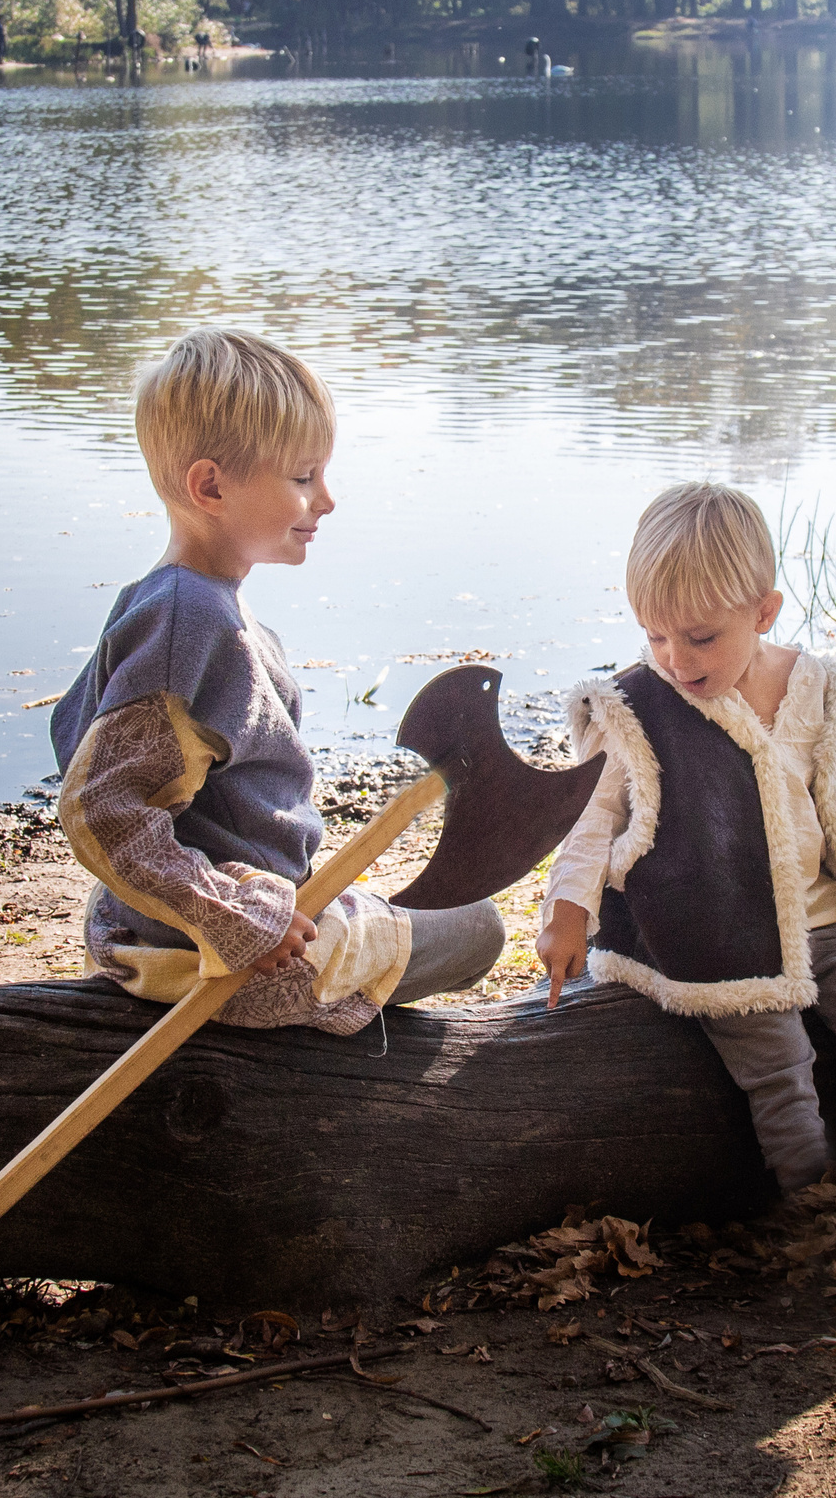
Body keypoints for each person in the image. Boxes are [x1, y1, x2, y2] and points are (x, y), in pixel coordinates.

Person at [51, 329, 505, 1036]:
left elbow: (73, 733)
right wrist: (230, 917)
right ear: (210, 486)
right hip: (221, 962)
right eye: (301, 478)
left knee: (412, 912)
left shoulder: (172, 601)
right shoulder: (188, 621)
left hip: (174, 925)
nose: (326, 498)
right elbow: (100, 804)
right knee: (480, 929)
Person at [537, 483, 836, 1198]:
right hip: (718, 929)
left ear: (764, 611)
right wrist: (567, 910)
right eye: (655, 633)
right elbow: (589, 819)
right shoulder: (635, 707)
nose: (675, 658)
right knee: (781, 1066)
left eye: (700, 637)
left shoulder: (812, 686)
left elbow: (835, 771)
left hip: (827, 915)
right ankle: (811, 1197)